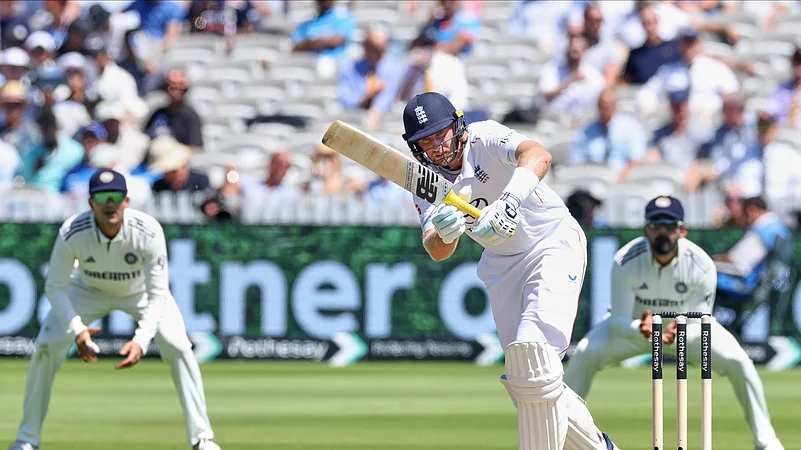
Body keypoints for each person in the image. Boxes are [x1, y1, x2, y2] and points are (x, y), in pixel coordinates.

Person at [402, 91, 619, 450]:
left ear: (457, 125)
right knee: (526, 377)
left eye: (441, 134)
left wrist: (509, 203)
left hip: (551, 242)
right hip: (502, 265)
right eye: (426, 141)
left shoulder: (485, 136)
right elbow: (437, 250)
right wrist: (444, 231)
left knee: (534, 353)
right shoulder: (425, 181)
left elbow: (538, 155)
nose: (437, 147)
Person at [8, 169, 221, 450]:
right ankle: (27, 440)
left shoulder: (148, 231)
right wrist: (78, 331)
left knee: (179, 346)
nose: (110, 203)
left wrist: (141, 341)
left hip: (140, 291)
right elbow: (55, 287)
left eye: (116, 196)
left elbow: (158, 294)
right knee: (46, 346)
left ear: (127, 201)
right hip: (87, 290)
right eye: (102, 197)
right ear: (90, 203)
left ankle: (203, 439)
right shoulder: (72, 232)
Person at [564, 196, 784, 450]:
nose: (663, 233)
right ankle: (560, 431)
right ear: (646, 229)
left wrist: (674, 330)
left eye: (670, 227)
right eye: (656, 226)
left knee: (739, 362)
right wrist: (642, 328)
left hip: (689, 332)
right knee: (584, 353)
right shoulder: (625, 260)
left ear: (682, 230)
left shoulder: (701, 265)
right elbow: (619, 320)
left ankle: (767, 442)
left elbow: (702, 321)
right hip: (635, 330)